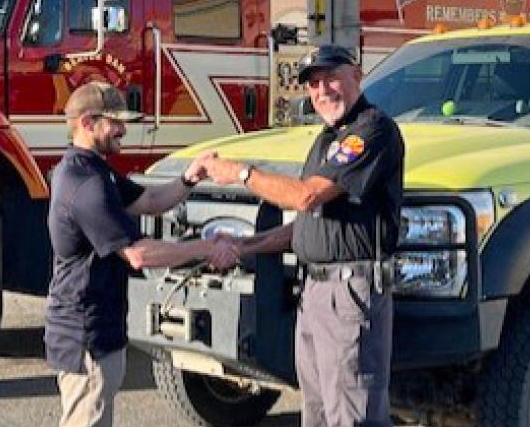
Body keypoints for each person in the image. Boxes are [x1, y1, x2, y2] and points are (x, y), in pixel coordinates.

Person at [203, 45, 405, 426]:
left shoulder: (372, 130)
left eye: (331, 78)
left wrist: (242, 173)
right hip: (314, 292)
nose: (322, 90)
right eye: (313, 84)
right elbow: (308, 223)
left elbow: (305, 196)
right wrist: (245, 245)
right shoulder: (327, 139)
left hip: (349, 293)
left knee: (351, 414)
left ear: (357, 75)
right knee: (318, 413)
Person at [44, 81, 233, 427]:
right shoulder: (85, 184)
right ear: (87, 123)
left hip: (98, 329)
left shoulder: (94, 170)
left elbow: (149, 201)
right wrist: (206, 249)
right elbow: (139, 254)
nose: (123, 130)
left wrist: (190, 176)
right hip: (86, 334)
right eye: (115, 122)